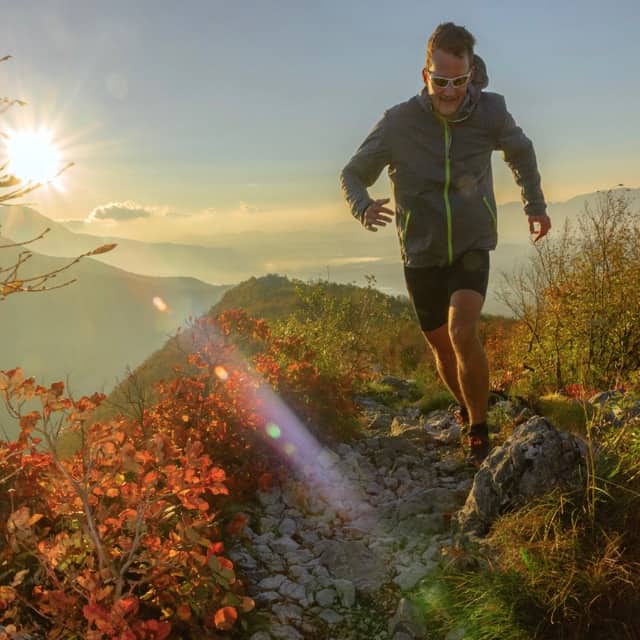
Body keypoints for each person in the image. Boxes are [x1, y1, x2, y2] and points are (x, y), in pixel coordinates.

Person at [340, 22, 551, 466]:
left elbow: (522, 151)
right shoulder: (398, 122)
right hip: (420, 250)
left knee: (462, 331)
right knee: (440, 345)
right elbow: (353, 173)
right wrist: (362, 206)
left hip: (473, 241)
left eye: (459, 80)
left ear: (472, 71)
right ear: (425, 75)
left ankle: (478, 427)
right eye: (441, 81)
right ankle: (469, 403)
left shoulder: (490, 111)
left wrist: (535, 204)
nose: (450, 91)